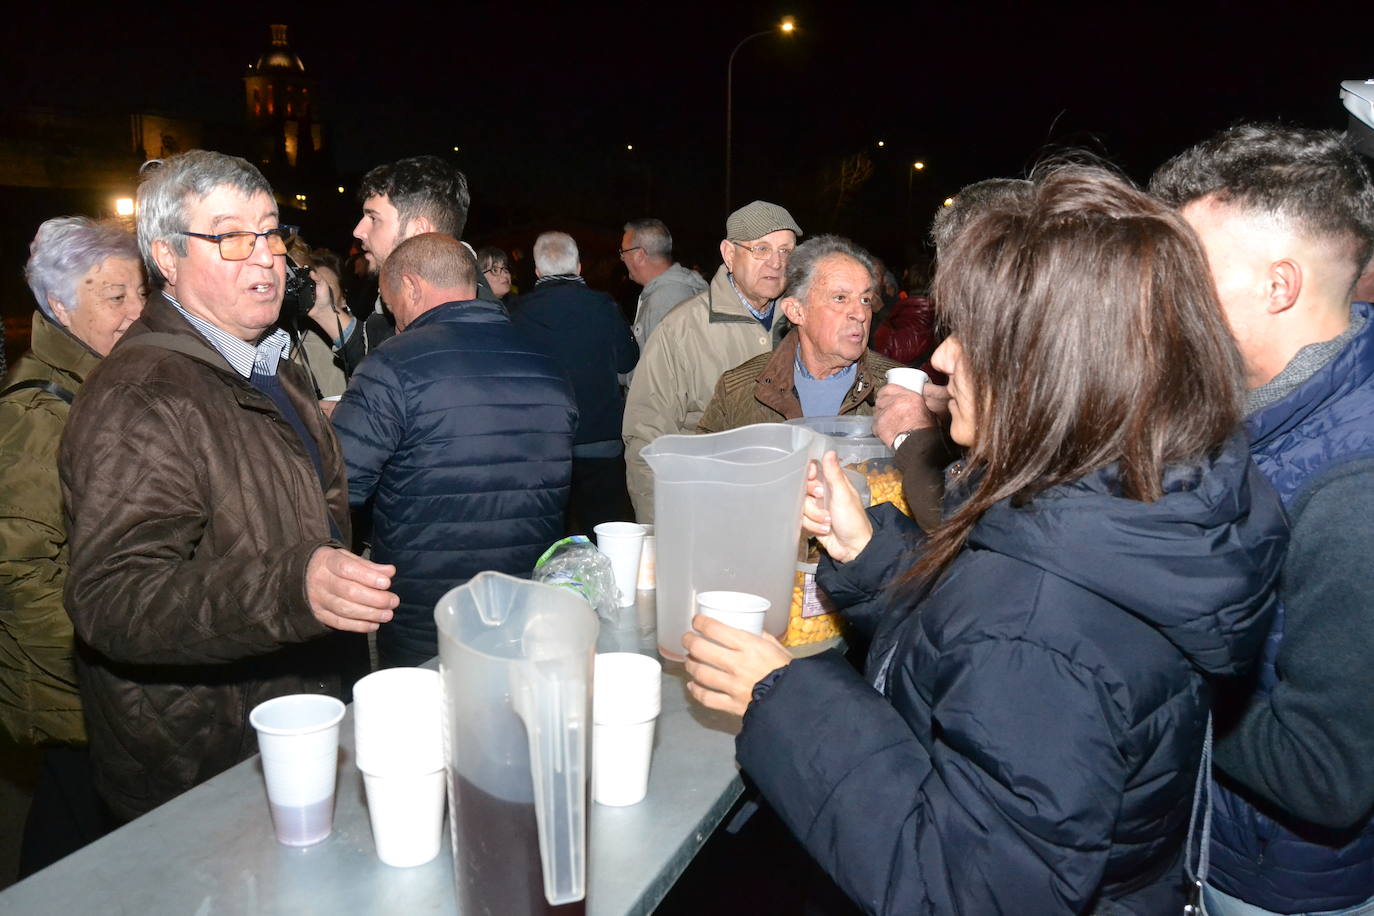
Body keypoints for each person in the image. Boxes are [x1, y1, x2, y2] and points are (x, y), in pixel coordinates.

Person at [682, 165, 1287, 913]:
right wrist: (868, 548)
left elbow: (961, 888)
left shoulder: (1043, 635)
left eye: (971, 335)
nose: (940, 358)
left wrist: (782, 696)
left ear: (1051, 369)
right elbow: (969, 628)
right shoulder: (1111, 499)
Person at [58, 150, 397, 823]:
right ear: (167, 258)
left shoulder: (270, 361)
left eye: (270, 232)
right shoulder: (142, 395)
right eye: (230, 236)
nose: (266, 257)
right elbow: (112, 599)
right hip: (204, 764)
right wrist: (291, 587)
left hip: (289, 727)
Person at [1150, 124, 1374, 916]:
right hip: (1211, 841)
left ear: (1279, 286)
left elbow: (1325, 774)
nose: (1162, 295)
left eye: (1188, 273)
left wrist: (1143, 665)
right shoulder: (1241, 410)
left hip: (1279, 886)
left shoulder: (1356, 490)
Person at [331, 233, 576, 668]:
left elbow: (339, 485)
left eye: (390, 303)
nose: (395, 318)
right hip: (524, 603)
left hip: (426, 615)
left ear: (410, 286)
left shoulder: (392, 365)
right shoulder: (548, 364)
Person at [1, 217, 146, 873]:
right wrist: (95, 670)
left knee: (77, 839)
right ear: (59, 306)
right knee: (76, 844)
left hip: (97, 684)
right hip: (77, 693)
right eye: (115, 297)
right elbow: (16, 573)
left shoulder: (98, 387)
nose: (136, 312)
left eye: (140, 293)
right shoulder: (37, 415)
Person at [622, 200, 801, 522]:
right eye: (761, 249)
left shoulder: (804, 323)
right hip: (708, 514)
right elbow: (646, 438)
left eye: (786, 251)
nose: (776, 262)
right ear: (729, 254)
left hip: (787, 514)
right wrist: (659, 529)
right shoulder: (682, 330)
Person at [696, 234, 901, 433]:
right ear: (796, 311)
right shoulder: (738, 390)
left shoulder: (899, 388)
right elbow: (705, 464)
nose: (860, 314)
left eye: (865, 300)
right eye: (840, 298)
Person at [510, 231, 637, 533]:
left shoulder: (517, 313)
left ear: (537, 271)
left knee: (548, 537)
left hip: (542, 443)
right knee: (606, 534)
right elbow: (628, 360)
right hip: (601, 439)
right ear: (578, 267)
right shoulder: (603, 306)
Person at [348, 155, 501, 355]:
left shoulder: (465, 335)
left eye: (373, 218)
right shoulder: (413, 305)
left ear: (418, 230)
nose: (358, 231)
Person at [620, 218, 707, 349]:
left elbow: (661, 366)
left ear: (639, 255)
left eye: (623, 252)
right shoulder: (670, 291)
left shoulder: (665, 300)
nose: (622, 258)